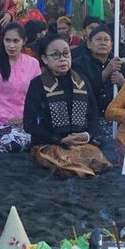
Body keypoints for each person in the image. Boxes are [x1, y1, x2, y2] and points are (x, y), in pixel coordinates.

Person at [23, 34, 111, 178]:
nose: (63, 59)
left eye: (66, 53)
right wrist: (59, 140)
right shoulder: (37, 84)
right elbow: (29, 124)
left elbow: (94, 116)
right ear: (45, 59)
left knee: (101, 164)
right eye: (56, 55)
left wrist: (87, 134)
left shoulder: (81, 81)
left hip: (80, 143)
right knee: (66, 167)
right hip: (49, 143)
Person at [0, 23, 41, 152]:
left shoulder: (33, 64)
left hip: (26, 121)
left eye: (16, 41)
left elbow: (38, 95)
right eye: (7, 40)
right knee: (15, 143)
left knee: (41, 139)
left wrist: (27, 119)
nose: (11, 45)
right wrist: (8, 118)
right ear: (2, 40)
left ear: (24, 41)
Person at [72, 25, 125, 140]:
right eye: (98, 39)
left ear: (111, 45)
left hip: (117, 122)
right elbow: (82, 93)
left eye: (106, 40)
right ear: (89, 44)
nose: (103, 43)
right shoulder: (78, 65)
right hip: (90, 121)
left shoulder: (122, 67)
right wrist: (105, 73)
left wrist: (124, 84)